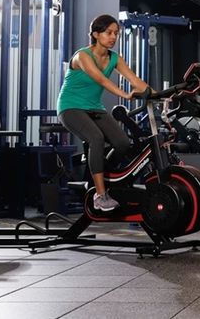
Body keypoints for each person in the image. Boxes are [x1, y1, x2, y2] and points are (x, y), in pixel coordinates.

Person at [57, 14, 149, 212]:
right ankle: (100, 195)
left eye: (116, 33)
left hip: (94, 107)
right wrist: (125, 94)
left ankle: (101, 173)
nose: (113, 37)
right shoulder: (82, 56)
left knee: (122, 142)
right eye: (109, 33)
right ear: (96, 34)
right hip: (71, 107)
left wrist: (162, 95)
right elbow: (101, 80)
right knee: (96, 138)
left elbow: (135, 81)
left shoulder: (115, 58)